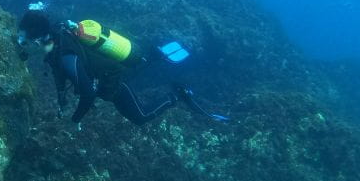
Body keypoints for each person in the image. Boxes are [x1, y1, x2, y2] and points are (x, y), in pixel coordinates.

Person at [17, 9, 227, 127]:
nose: (22, 43)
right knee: (140, 64)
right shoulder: (56, 40)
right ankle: (154, 54)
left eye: (24, 39)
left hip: (114, 80)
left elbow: (88, 95)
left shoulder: (64, 54)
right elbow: (59, 72)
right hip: (109, 69)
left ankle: (177, 96)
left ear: (37, 38)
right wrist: (61, 95)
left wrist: (75, 121)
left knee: (140, 117)